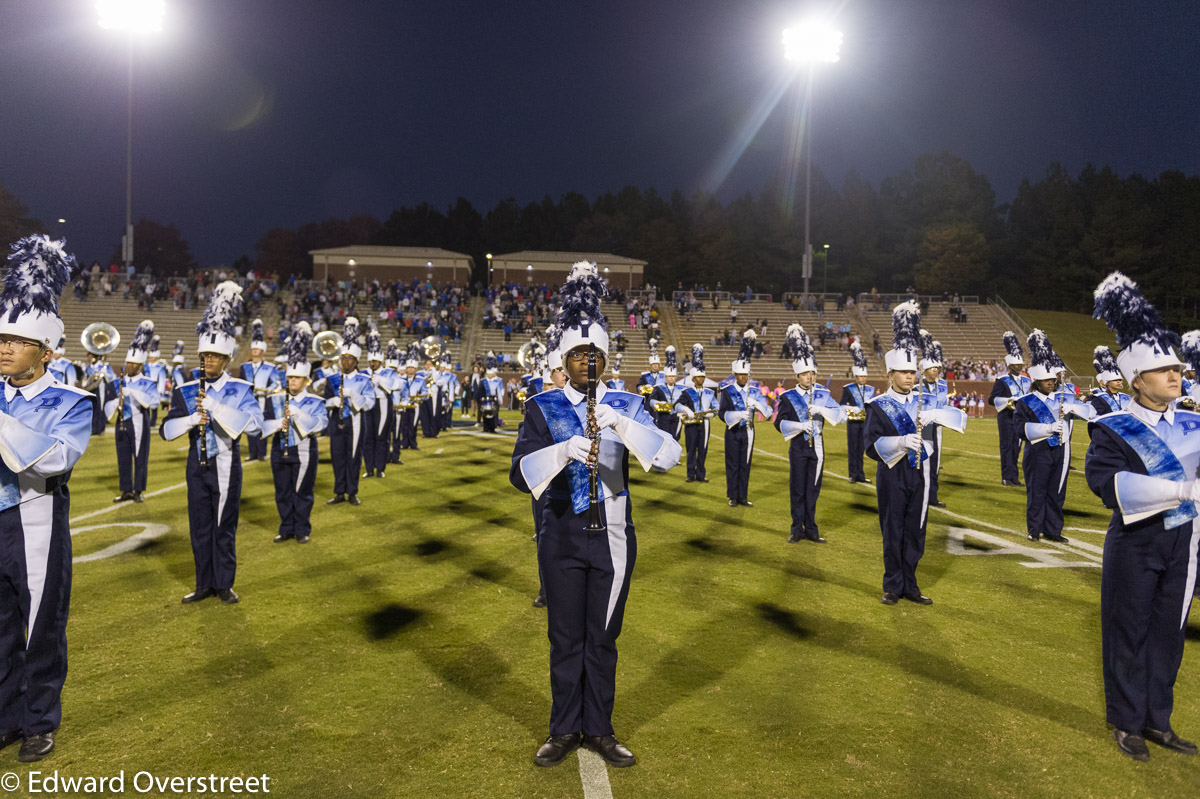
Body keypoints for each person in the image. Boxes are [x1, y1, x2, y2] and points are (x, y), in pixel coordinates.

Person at [510, 261, 680, 769]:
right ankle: (563, 728)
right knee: (564, 637)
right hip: (560, 534)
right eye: (579, 353)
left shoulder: (627, 402)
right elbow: (520, 475)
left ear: (606, 358)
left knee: (603, 638)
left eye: (595, 353)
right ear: (565, 357)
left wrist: (624, 429)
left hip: (612, 537)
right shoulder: (541, 407)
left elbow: (669, 456)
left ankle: (600, 729)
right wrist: (563, 452)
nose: (587, 360)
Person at [1087, 271, 1200, 762]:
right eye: (1165, 370)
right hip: (1136, 542)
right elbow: (1107, 485)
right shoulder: (1113, 427)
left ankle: (1158, 721)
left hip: (1185, 544)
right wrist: (1178, 488)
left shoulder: (1195, 421)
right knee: (1128, 631)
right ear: (1137, 379)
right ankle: (1128, 722)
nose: (1177, 375)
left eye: (1179, 369)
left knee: (1168, 636)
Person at [0, 236, 93, 762]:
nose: (5, 348)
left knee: (40, 625)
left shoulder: (71, 401)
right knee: (0, 626)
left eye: (17, 340)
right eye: (0, 339)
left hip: (37, 519)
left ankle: (38, 719)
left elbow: (54, 461)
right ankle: (6, 717)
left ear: (47, 351)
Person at [161, 282, 263, 606]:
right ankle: (203, 582)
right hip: (197, 464)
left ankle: (224, 583)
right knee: (200, 526)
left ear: (226, 358)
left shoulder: (242, 389)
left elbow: (258, 427)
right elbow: (166, 430)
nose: (208, 360)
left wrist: (217, 409)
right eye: (205, 354)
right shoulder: (186, 389)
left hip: (226, 465)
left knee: (224, 527)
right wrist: (193, 419)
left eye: (215, 356)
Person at [866, 302, 964, 606]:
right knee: (893, 528)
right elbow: (870, 447)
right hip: (893, 473)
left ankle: (911, 584)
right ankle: (893, 585)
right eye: (904, 372)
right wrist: (901, 442)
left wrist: (934, 425)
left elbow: (956, 420)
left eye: (912, 372)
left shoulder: (925, 401)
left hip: (920, 472)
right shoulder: (878, 404)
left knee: (916, 528)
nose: (910, 377)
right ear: (891, 374)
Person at [1014, 330, 1094, 543]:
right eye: (1046, 380)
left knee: (1057, 491)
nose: (1051, 382)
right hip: (1038, 451)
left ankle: (1053, 530)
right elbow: (1019, 429)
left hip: (1062, 450)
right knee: (1037, 491)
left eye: (1052, 379)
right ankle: (1034, 529)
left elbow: (1091, 414)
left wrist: (1074, 409)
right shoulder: (1025, 401)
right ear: (1036, 381)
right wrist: (1048, 428)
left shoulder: (1063, 399)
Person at [774, 324, 845, 543]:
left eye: (811, 372)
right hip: (797, 447)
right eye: (805, 373)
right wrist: (799, 426)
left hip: (818, 448)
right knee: (797, 489)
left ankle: (811, 529)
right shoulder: (788, 396)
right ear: (797, 375)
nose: (809, 376)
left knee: (813, 489)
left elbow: (840, 414)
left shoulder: (823, 393)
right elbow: (778, 423)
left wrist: (822, 410)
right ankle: (796, 529)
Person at [263, 322, 327, 544]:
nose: (292, 381)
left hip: (304, 449)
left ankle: (302, 528)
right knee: (282, 491)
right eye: (290, 377)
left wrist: (298, 414)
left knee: (302, 491)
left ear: (306, 380)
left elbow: (321, 425)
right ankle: (286, 527)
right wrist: (277, 423)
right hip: (279, 448)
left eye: (296, 378)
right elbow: (261, 426)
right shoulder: (275, 400)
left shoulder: (315, 401)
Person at [106, 320, 160, 503]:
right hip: (122, 422)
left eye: (133, 364)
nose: (128, 366)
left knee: (140, 457)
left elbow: (154, 403)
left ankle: (138, 490)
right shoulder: (118, 381)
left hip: (139, 423)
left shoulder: (147, 383)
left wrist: (134, 393)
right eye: (128, 362)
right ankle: (126, 489)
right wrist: (115, 403)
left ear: (140, 365)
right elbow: (106, 407)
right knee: (123, 458)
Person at [323, 317, 376, 506]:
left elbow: (370, 404)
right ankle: (339, 491)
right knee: (337, 456)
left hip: (355, 422)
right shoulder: (332, 379)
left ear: (356, 360)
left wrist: (354, 396)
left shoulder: (363, 380)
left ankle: (352, 491)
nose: (345, 361)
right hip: (336, 422)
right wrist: (333, 401)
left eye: (349, 358)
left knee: (353, 456)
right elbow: (324, 402)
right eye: (343, 358)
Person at [719, 329, 770, 506]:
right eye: (740, 374)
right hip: (733, 431)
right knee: (732, 464)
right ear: (735, 375)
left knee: (745, 464)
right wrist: (737, 415)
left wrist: (759, 405)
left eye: (745, 374)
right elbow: (721, 413)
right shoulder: (727, 391)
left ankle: (743, 496)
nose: (743, 377)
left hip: (748, 431)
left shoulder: (754, 391)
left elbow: (768, 412)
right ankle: (733, 496)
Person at [989, 332, 1031, 486]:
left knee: (1017, 447)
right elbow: (992, 399)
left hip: (1021, 418)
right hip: (1007, 418)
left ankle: (1015, 477)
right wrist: (1008, 401)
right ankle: (1007, 476)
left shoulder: (1026, 380)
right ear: (1009, 366)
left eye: (1020, 364)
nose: (1019, 367)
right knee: (1007, 447)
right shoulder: (1002, 380)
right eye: (1016, 365)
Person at [917, 332, 951, 508]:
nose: (936, 370)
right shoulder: (917, 387)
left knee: (935, 463)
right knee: (922, 463)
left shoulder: (943, 384)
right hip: (922, 428)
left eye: (937, 367)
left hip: (938, 427)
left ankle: (932, 495)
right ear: (923, 371)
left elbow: (944, 403)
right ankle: (921, 493)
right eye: (932, 368)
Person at [239, 319, 279, 462]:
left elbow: (275, 383)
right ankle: (252, 453)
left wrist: (266, 389)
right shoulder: (245, 367)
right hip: (250, 401)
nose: (254, 351)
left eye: (257, 349)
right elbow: (241, 383)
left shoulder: (270, 367)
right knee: (250, 426)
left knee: (261, 427)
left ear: (262, 351)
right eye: (253, 349)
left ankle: (261, 453)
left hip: (263, 400)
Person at [676, 345, 717, 482]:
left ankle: (701, 474)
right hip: (691, 424)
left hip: (704, 423)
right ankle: (690, 474)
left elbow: (717, 407)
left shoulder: (710, 393)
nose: (702, 379)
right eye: (699, 377)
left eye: (703, 377)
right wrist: (687, 410)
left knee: (703, 449)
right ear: (693, 378)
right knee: (691, 449)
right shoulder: (687, 392)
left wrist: (712, 414)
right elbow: (677, 406)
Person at [840, 342, 875, 484]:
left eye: (864, 376)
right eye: (860, 376)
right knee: (853, 448)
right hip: (853, 422)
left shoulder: (870, 389)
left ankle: (860, 473)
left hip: (865, 423)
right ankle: (853, 473)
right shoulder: (848, 389)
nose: (863, 379)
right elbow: (842, 405)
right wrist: (853, 409)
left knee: (861, 449)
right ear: (855, 376)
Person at [648, 345, 683, 440]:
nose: (671, 378)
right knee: (664, 438)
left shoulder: (681, 389)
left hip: (676, 417)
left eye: (673, 376)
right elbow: (651, 400)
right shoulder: (659, 388)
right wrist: (658, 403)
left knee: (676, 438)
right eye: (669, 376)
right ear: (666, 377)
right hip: (663, 417)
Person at [1088, 345, 1132, 416]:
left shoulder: (1126, 397)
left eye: (1120, 380)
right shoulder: (1099, 399)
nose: (1119, 382)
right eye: (1115, 380)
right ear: (1107, 382)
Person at [475, 354, 505, 433]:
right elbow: (480, 391)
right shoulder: (483, 381)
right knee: (485, 414)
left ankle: (492, 427)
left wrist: (499, 397)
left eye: (490, 374)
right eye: (488, 374)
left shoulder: (497, 380)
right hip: (485, 399)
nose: (489, 375)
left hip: (494, 399)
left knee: (494, 414)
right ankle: (485, 427)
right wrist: (480, 400)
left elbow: (501, 390)